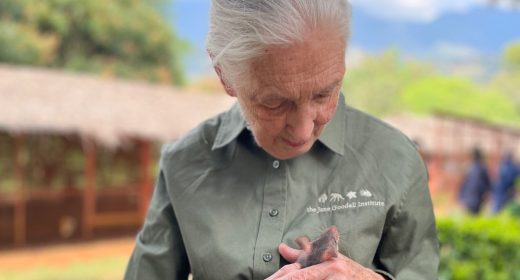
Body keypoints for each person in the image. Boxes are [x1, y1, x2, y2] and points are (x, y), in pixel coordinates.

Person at [124, 1, 439, 279]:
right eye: (274, 103)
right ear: (224, 74)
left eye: (324, 93)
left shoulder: (396, 159)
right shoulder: (184, 161)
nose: (303, 131)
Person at [458, 148, 492, 215]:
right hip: (473, 196)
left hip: (475, 196)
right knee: (473, 215)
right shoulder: (473, 168)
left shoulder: (474, 168)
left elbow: (464, 183)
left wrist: (461, 196)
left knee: (473, 215)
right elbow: (464, 183)